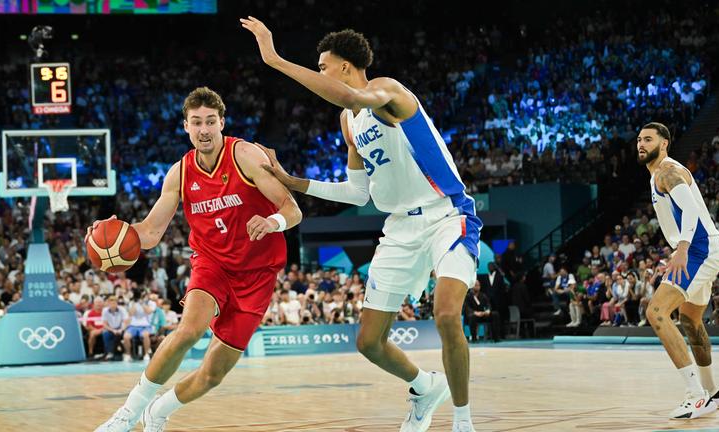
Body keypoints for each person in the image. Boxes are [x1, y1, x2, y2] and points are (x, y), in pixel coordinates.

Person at [243, 19, 480, 431]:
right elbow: (358, 193)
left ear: (347, 67)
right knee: (369, 342)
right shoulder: (348, 122)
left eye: (323, 66)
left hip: (447, 216)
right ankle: (425, 387)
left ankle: (463, 421)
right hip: (399, 228)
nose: (320, 73)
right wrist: (295, 182)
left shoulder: (389, 92)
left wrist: (276, 61)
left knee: (445, 315)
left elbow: (351, 95)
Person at [94, 87, 302, 431]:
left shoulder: (246, 156)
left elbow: (292, 210)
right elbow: (149, 233)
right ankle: (128, 415)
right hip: (212, 263)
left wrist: (271, 222)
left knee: (212, 374)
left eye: (210, 121)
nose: (203, 129)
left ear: (221, 123)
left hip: (258, 274)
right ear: (186, 127)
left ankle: (159, 410)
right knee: (189, 329)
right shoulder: (180, 172)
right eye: (196, 122)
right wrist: (112, 234)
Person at [638, 122, 719, 419]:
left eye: (648, 139)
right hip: (703, 248)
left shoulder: (668, 171)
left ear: (664, 144)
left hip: (699, 249)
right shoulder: (656, 176)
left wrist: (683, 248)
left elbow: (688, 208)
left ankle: (696, 396)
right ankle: (712, 392)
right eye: (639, 139)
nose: (641, 143)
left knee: (656, 312)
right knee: (689, 319)